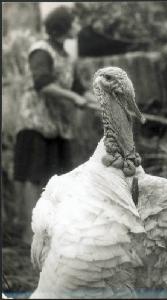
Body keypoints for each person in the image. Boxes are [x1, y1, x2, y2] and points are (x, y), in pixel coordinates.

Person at [13, 6, 96, 245]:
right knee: (33, 176)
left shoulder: (65, 55)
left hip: (57, 124)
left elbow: (77, 89)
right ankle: (30, 235)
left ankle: (53, 231)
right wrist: (75, 100)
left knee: (56, 177)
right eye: (75, 23)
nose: (78, 27)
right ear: (64, 26)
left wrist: (100, 103)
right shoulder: (41, 50)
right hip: (35, 122)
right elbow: (43, 84)